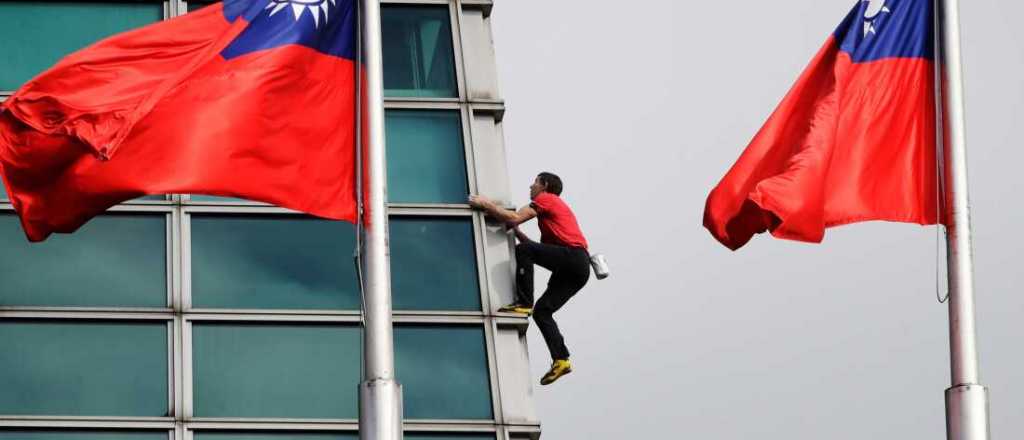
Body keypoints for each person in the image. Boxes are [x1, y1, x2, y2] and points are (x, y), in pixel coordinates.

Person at [469, 172, 590, 385]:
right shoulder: (553, 213)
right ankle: (561, 359)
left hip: (573, 258)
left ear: (544, 185)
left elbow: (516, 218)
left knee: (524, 251)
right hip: (578, 268)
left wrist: (486, 204)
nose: (531, 185)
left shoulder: (546, 199)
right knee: (543, 312)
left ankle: (523, 303)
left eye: (535, 182)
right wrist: (515, 231)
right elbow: (536, 247)